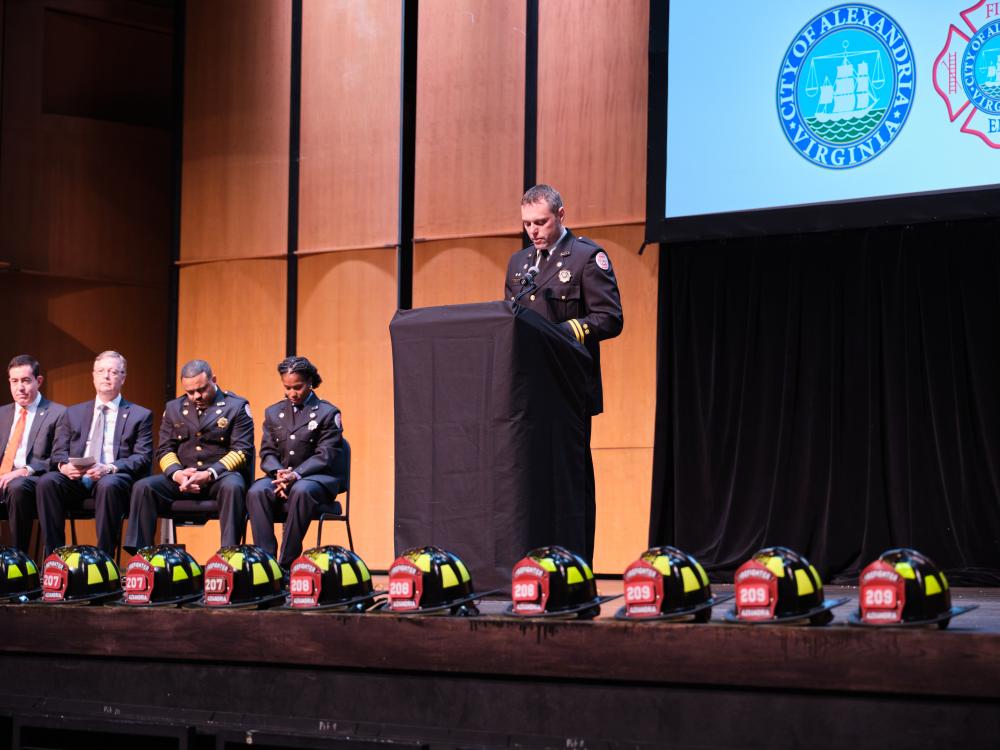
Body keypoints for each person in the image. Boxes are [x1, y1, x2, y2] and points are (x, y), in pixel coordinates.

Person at [504, 184, 624, 562]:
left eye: (541, 222)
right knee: (530, 480)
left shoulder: (587, 258)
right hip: (528, 390)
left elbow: (610, 319)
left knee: (568, 482)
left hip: (569, 387)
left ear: (561, 215)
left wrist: (566, 331)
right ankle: (534, 561)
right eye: (527, 224)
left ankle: (576, 562)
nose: (534, 231)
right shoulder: (519, 263)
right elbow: (510, 320)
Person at [123, 359, 254, 554]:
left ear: (213, 380)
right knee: (143, 488)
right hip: (183, 478)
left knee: (233, 486)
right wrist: (177, 474)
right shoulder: (174, 408)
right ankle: (142, 556)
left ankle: (229, 553)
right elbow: (165, 449)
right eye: (190, 392)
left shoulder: (235, 406)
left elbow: (242, 451)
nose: (196, 396)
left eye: (201, 389)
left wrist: (209, 474)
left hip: (219, 478)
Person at [35, 351, 153, 557]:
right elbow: (58, 451)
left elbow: (142, 457)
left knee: (109, 484)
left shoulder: (139, 415)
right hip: (77, 479)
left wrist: (108, 468)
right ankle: (55, 557)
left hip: (113, 478)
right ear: (93, 376)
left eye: (113, 372)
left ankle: (104, 558)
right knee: (47, 482)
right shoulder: (73, 412)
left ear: (123, 378)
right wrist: (64, 466)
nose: (106, 376)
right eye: (101, 371)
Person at [247, 356, 344, 569]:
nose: (292, 393)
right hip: (281, 477)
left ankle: (286, 563)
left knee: (300, 490)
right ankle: (266, 564)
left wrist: (295, 475)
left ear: (309, 382)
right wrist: (279, 474)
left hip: (317, 480)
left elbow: (326, 455)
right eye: (287, 388)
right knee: (256, 491)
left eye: (297, 387)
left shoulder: (328, 412)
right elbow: (268, 453)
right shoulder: (273, 412)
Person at [0, 355, 65, 552]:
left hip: (34, 479)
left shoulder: (58, 413)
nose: (20, 387)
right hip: (3, 477)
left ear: (39, 381)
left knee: (17, 487)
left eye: (26, 381)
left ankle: (20, 558)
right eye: (14, 381)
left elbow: (58, 457)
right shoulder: (2, 414)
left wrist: (24, 471)